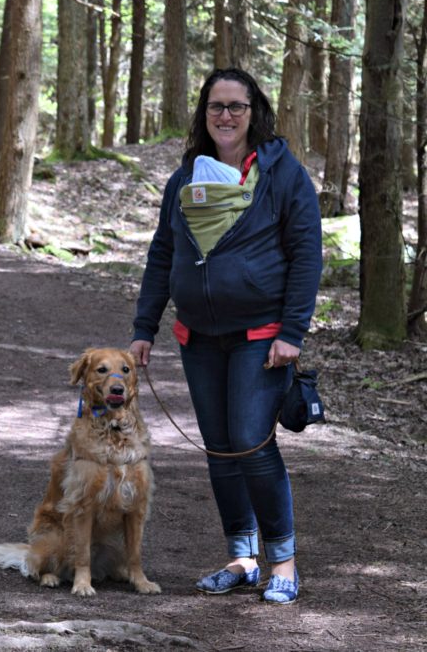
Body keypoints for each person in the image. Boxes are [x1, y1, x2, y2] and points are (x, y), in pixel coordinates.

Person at [129, 68, 322, 605]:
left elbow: (307, 254)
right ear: (204, 114)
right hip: (199, 336)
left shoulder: (283, 175)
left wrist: (293, 331)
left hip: (261, 335)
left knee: (251, 444)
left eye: (236, 106)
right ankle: (242, 557)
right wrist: (145, 327)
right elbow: (163, 253)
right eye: (216, 107)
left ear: (254, 111)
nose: (226, 116)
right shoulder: (186, 178)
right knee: (219, 450)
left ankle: (282, 562)